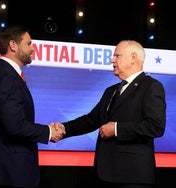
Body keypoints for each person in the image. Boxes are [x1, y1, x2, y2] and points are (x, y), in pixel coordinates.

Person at [54, 40, 166, 188]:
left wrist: (117, 129)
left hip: (133, 177)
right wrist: (63, 128)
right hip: (104, 175)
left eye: (117, 56)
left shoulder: (151, 86)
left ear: (133, 58)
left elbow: (155, 126)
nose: (112, 59)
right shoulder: (111, 90)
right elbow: (92, 119)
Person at [0, 25, 65, 188]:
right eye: (28, 43)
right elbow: (14, 125)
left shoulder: (1, 73)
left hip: (5, 172)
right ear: (13, 45)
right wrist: (48, 132)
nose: (33, 49)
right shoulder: (7, 78)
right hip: (10, 174)